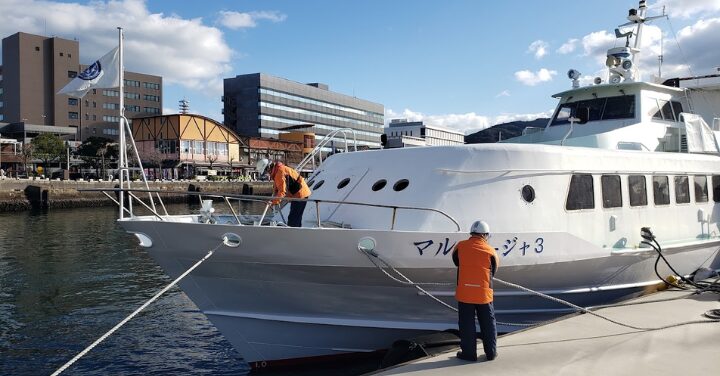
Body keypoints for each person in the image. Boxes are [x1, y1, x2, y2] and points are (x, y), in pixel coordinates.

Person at [452, 220, 498, 362]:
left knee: (467, 324)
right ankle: (491, 353)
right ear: (485, 235)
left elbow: (456, 261)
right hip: (483, 294)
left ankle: (469, 354)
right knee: (488, 323)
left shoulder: (460, 246)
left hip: (465, 293)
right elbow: (494, 270)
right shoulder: (490, 251)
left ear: (471, 233)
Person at [256, 158, 311, 227]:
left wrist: (274, 202)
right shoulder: (277, 171)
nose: (266, 174)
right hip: (298, 195)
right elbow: (277, 188)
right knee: (295, 217)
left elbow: (282, 191)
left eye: (265, 172)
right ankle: (295, 233)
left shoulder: (279, 172)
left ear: (268, 168)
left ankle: (294, 235)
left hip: (300, 195)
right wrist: (273, 199)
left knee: (293, 219)